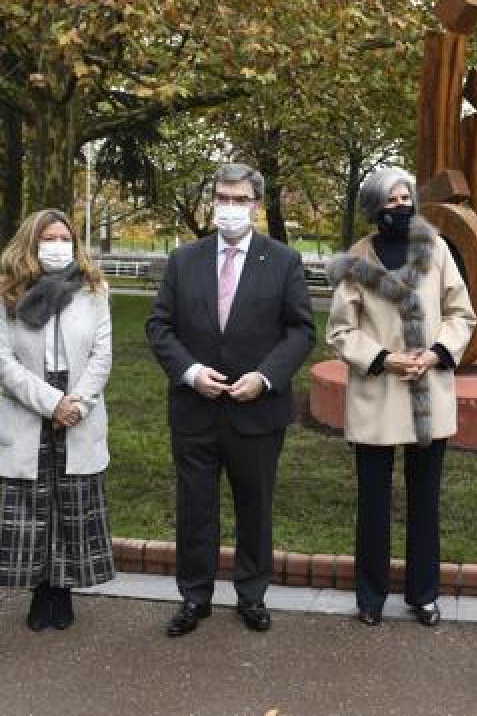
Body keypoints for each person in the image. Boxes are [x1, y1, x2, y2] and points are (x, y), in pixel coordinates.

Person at [146, 162, 315, 636]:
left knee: (255, 505)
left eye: (241, 200)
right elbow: (158, 326)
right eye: (223, 197)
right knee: (194, 507)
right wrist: (190, 371)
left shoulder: (283, 261)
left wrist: (265, 377)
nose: (230, 207)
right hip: (195, 409)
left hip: (257, 410)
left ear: (257, 207)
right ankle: (194, 597)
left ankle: (252, 595)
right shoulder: (185, 260)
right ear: (212, 202)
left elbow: (301, 331)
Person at [325, 167, 477, 627]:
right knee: (372, 503)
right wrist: (385, 358)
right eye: (390, 200)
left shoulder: (438, 251)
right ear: (375, 207)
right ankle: (370, 597)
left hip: (428, 389)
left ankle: (423, 595)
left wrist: (434, 353)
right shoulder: (355, 260)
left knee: (424, 502)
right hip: (377, 392)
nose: (400, 206)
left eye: (405, 197)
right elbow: (340, 331)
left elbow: (461, 313)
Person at [0, 209, 114, 632]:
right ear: (31, 243)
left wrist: (78, 403)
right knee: (31, 501)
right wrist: (53, 403)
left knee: (72, 501)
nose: (58, 246)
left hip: (79, 406)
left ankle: (64, 589)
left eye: (64, 238)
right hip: (30, 405)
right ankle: (40, 590)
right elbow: (5, 364)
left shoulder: (94, 290)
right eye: (48, 238)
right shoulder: (9, 294)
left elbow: (102, 354)